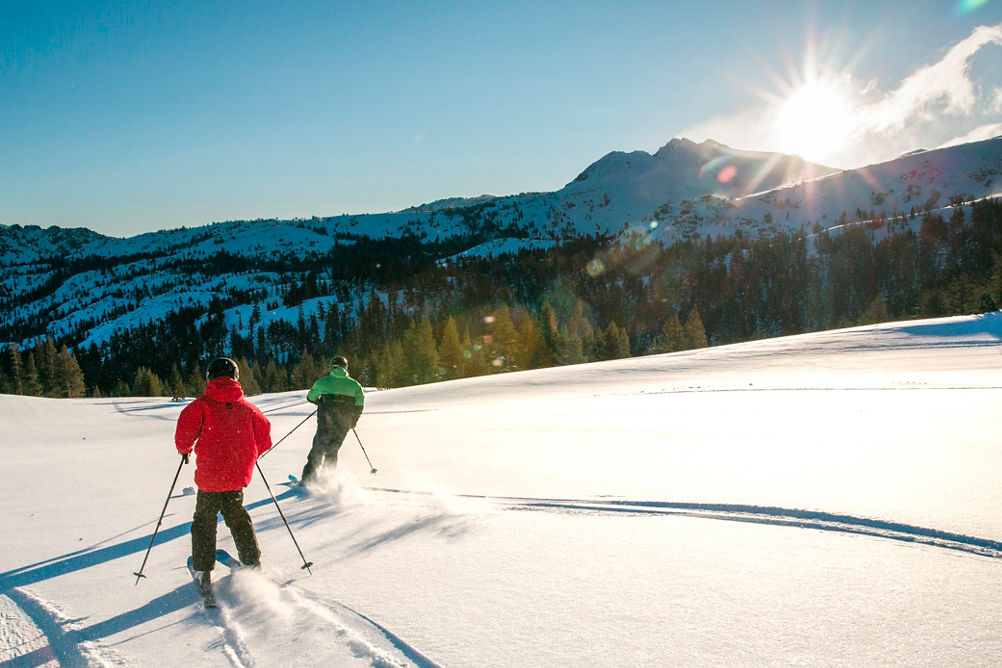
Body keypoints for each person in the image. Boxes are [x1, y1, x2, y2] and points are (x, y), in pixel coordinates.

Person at [175, 357, 272, 591]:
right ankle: (251, 563)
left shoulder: (201, 406)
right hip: (236, 477)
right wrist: (250, 454)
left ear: (210, 377)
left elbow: (184, 433)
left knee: (204, 521)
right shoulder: (248, 408)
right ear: (235, 377)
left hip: (210, 478)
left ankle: (202, 570)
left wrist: (185, 450)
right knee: (237, 517)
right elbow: (265, 438)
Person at [299, 355, 364, 485]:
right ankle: (327, 480)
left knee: (318, 449)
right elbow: (359, 405)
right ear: (345, 368)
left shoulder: (323, 382)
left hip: (325, 422)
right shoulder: (355, 385)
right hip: (344, 424)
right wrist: (353, 421)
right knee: (332, 450)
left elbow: (311, 397)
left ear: (331, 367)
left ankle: (308, 479)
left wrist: (321, 402)